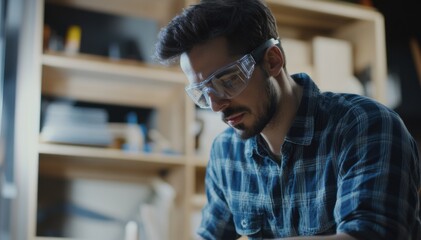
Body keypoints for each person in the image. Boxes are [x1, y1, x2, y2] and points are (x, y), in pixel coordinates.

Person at [154, 0, 421, 239]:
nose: (215, 105)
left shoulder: (365, 126)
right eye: (203, 92)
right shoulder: (226, 153)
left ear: (272, 61)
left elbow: (368, 235)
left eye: (227, 80)